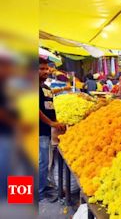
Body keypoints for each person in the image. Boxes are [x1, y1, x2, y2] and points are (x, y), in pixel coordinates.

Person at [39, 58, 66, 202]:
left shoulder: (44, 87)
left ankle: (42, 186)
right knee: (41, 161)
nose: (45, 71)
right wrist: (51, 123)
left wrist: (54, 122)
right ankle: (39, 192)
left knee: (44, 160)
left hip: (45, 129)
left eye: (46, 68)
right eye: (41, 69)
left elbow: (48, 105)